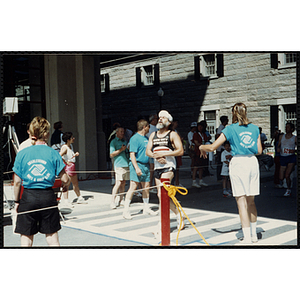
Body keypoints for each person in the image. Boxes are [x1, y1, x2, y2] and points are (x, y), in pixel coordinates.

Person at [199, 103, 262, 244]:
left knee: (241, 202)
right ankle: (253, 235)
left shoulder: (230, 129)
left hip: (239, 162)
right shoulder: (254, 128)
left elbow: (213, 146)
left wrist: (201, 146)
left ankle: (246, 238)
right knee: (251, 201)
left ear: (233, 113)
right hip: (252, 162)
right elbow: (259, 151)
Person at [12, 116, 70, 247]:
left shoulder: (22, 153)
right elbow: (65, 178)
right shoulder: (53, 153)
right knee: (52, 237)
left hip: (28, 197)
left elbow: (16, 182)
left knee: (26, 237)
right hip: (47, 197)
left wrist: (16, 201)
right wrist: (66, 185)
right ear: (46, 134)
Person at [146, 110, 185, 234]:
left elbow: (180, 151)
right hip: (157, 167)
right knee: (161, 195)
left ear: (168, 122)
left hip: (168, 167)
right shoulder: (153, 135)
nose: (160, 119)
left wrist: (164, 154)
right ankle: (178, 213)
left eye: (163, 117)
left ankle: (161, 225)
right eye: (159, 117)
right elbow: (148, 151)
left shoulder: (172, 134)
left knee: (163, 193)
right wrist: (156, 156)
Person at [122, 119, 158, 219]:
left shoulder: (146, 138)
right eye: (148, 127)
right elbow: (132, 154)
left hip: (146, 164)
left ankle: (146, 207)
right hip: (137, 164)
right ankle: (126, 210)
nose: (149, 129)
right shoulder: (134, 138)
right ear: (144, 127)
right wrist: (136, 168)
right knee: (133, 187)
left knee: (146, 186)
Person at [60, 132, 87, 205]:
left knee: (75, 183)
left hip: (72, 166)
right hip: (68, 167)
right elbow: (60, 155)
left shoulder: (70, 146)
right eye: (72, 137)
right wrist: (65, 162)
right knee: (67, 184)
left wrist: (74, 155)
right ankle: (66, 200)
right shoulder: (64, 147)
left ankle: (79, 197)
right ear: (68, 140)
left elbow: (70, 156)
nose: (73, 138)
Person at [110, 126, 130, 209]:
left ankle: (121, 199)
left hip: (126, 164)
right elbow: (111, 154)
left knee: (123, 183)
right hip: (118, 165)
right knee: (118, 183)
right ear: (116, 132)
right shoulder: (113, 142)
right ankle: (112, 201)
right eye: (120, 132)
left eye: (123, 132)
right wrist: (120, 150)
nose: (122, 133)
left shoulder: (125, 141)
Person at [277, 122, 297, 197]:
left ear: (292, 129)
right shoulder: (281, 137)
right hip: (283, 157)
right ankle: (285, 181)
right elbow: (278, 146)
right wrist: (278, 149)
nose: (286, 128)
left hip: (291, 157)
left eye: (288, 127)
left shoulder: (294, 138)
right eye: (286, 127)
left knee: (287, 175)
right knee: (281, 177)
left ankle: (288, 190)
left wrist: (294, 151)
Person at [191, 121, 209, 188]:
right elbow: (196, 142)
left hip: (203, 152)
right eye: (199, 126)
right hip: (197, 152)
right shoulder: (196, 134)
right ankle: (194, 181)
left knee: (201, 167)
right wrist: (202, 145)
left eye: (201, 126)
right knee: (196, 167)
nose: (200, 128)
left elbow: (206, 140)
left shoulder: (203, 134)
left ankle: (201, 180)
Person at [146, 114, 159, 193]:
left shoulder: (157, 127)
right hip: (152, 148)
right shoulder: (150, 127)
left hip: (157, 148)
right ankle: (150, 185)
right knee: (152, 168)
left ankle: (154, 184)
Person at [216, 116, 229, 181]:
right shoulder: (221, 127)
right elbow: (218, 136)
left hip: (223, 147)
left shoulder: (224, 127)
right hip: (221, 147)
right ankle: (219, 176)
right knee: (220, 162)